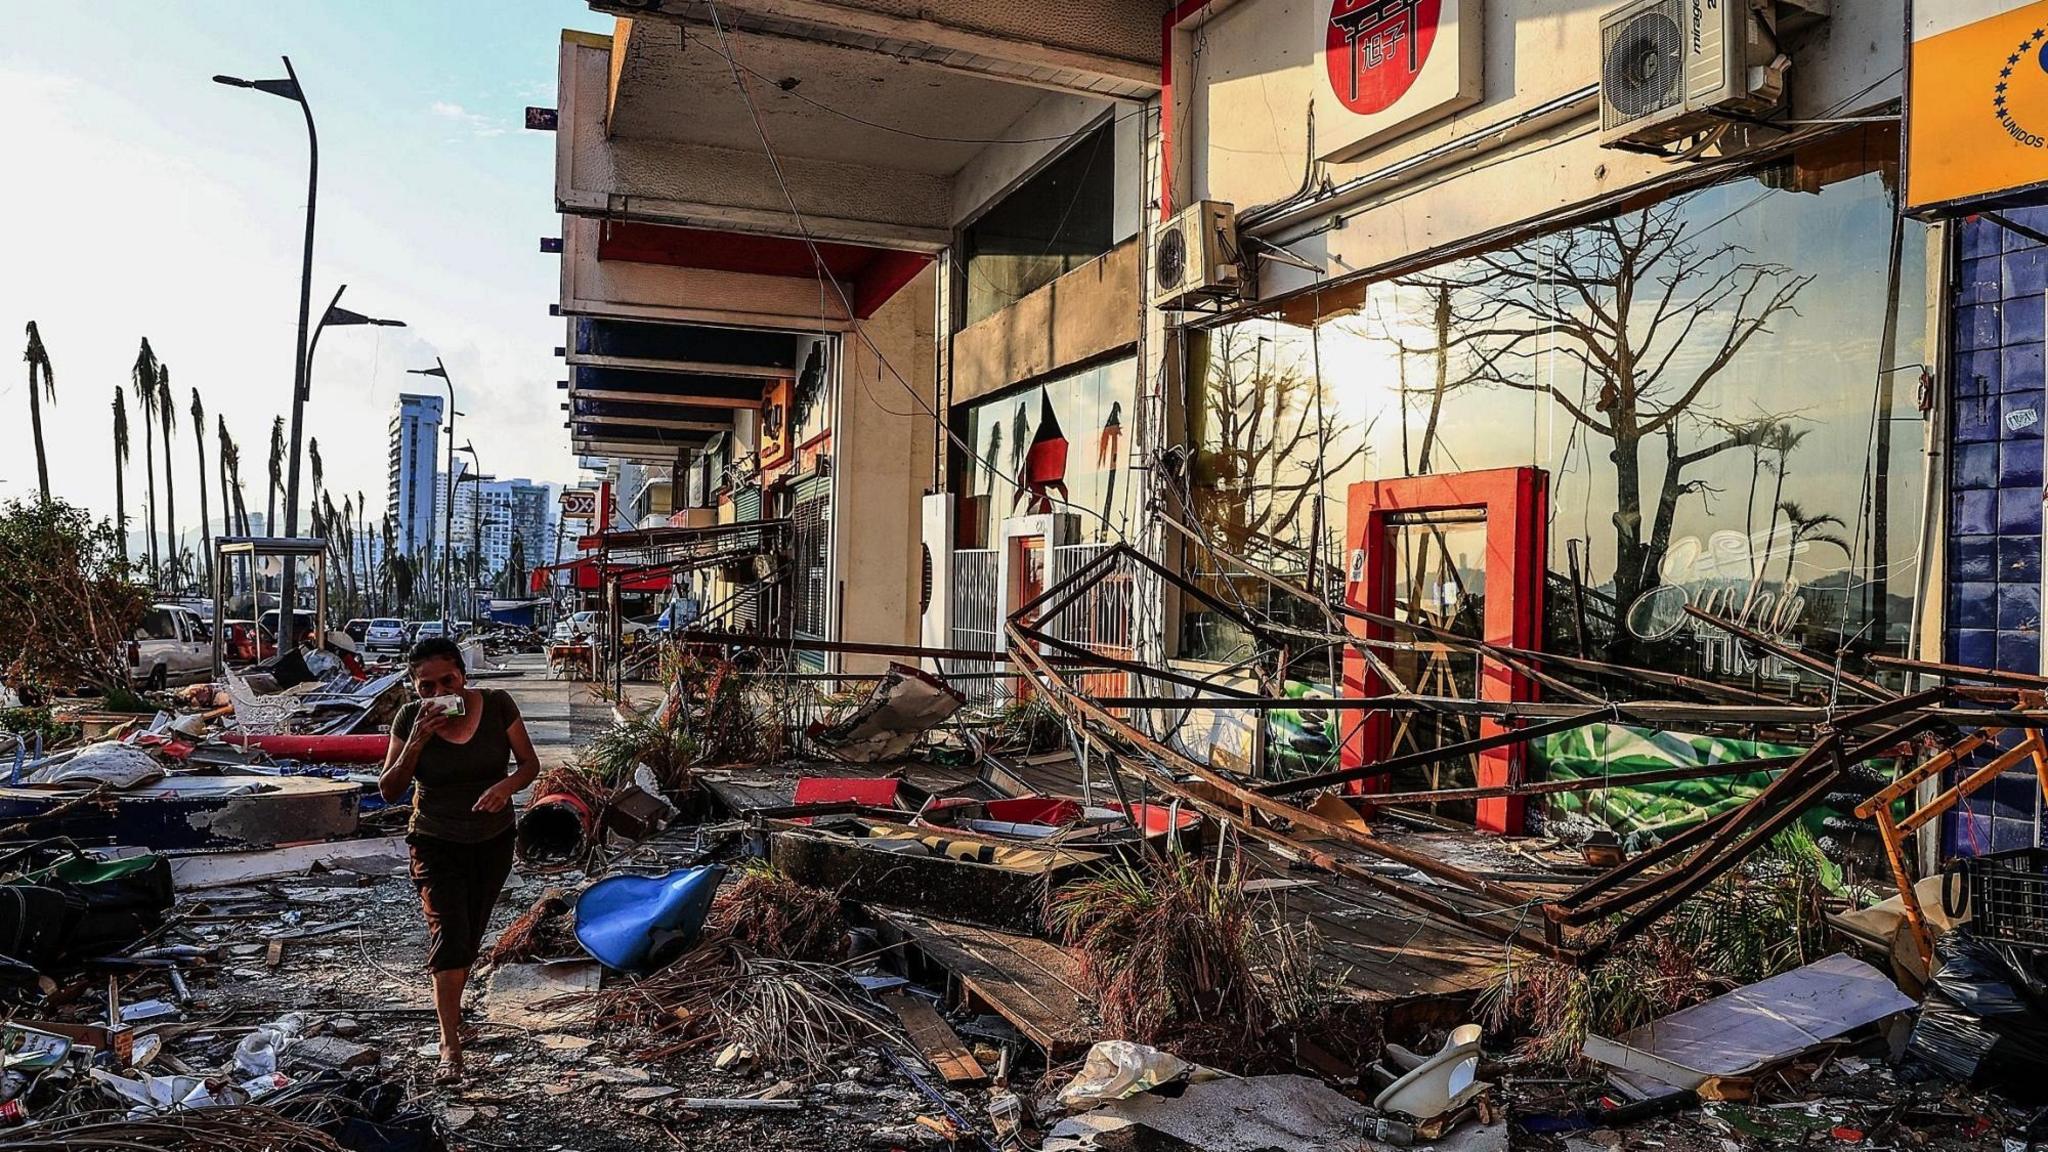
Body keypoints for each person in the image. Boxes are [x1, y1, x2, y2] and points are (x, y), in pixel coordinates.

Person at [379, 636, 539, 1084]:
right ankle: (450, 1042)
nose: (437, 693)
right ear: (414, 688)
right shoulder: (410, 719)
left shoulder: (496, 704)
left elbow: (529, 764)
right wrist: (416, 740)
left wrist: (505, 788)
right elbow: (388, 790)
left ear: (463, 675)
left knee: (470, 931)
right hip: (435, 840)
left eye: (446, 681)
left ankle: (454, 1010)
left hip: (493, 839)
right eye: (426, 686)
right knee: (449, 932)